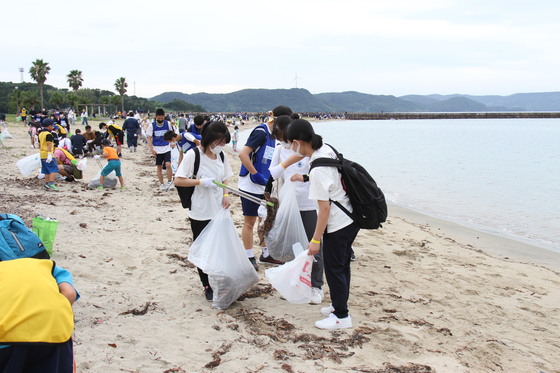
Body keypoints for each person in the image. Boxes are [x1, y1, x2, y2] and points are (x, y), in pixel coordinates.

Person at [286, 119, 360, 330]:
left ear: (298, 142)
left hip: (338, 223)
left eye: (291, 143)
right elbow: (333, 177)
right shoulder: (326, 150)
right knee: (342, 265)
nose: (291, 148)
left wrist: (315, 240)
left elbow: (324, 209)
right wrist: (306, 177)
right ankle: (338, 305)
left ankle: (342, 317)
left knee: (335, 269)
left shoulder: (318, 168)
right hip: (350, 217)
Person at [267, 115, 325, 305]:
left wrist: (303, 177)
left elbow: (317, 173)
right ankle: (292, 281)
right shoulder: (280, 150)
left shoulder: (310, 150)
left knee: (313, 245)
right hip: (287, 203)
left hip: (308, 203)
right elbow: (273, 173)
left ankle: (316, 285)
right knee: (290, 243)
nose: (286, 142)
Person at [174, 121, 233, 301]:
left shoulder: (222, 156)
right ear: (209, 139)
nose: (221, 146)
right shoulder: (194, 155)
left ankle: (219, 281)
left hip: (218, 210)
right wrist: (200, 182)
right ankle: (206, 284)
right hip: (200, 210)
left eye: (224, 142)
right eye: (219, 142)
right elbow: (178, 180)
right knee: (203, 249)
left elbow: (225, 178)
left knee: (219, 248)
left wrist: (226, 194)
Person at [238, 106, 292, 270]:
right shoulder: (261, 132)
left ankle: (266, 254)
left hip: (264, 184)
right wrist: (254, 173)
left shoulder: (275, 136)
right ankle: (249, 257)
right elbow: (243, 154)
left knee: (265, 220)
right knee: (250, 221)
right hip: (250, 183)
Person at [147, 108, 175, 190]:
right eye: (158, 118)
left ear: (164, 117)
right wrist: (152, 149)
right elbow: (149, 138)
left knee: (168, 165)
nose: (160, 120)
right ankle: (162, 183)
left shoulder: (168, 124)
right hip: (157, 148)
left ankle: (170, 181)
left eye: (162, 118)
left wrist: (172, 142)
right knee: (159, 166)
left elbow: (171, 134)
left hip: (166, 147)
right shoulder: (152, 125)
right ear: (156, 117)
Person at [38, 119, 60, 191]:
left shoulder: (40, 134)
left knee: (46, 170)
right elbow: (49, 144)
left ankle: (46, 183)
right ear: (49, 126)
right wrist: (50, 154)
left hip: (42, 154)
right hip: (48, 154)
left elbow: (39, 144)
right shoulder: (49, 134)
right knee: (54, 168)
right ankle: (51, 183)